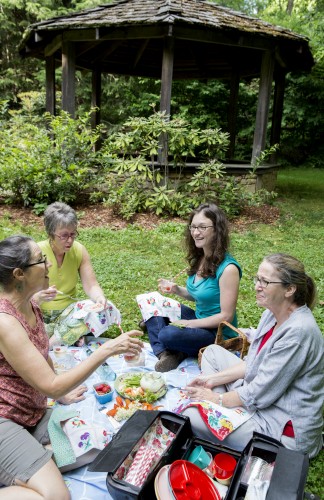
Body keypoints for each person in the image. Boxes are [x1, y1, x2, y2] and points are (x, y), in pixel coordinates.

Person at [0, 235, 143, 499]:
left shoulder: (30, 304)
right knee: (57, 497)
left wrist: (63, 395)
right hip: (5, 420)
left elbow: (42, 356)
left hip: (32, 413)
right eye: (41, 260)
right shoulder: (5, 322)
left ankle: (30, 463)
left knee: (99, 444)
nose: (49, 264)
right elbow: (51, 387)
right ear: (19, 274)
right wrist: (106, 349)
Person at [182, 253, 324, 458]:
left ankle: (225, 415)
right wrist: (209, 379)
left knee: (190, 415)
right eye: (258, 279)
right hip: (260, 399)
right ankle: (226, 414)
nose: (257, 286)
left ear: (290, 290)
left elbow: (258, 394)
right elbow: (253, 364)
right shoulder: (272, 312)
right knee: (212, 353)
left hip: (279, 429)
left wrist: (216, 398)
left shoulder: (298, 333)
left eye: (265, 281)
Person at [141, 202, 242, 372]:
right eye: (193, 227)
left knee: (167, 333)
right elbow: (200, 296)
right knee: (151, 301)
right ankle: (167, 354)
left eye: (202, 227)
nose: (196, 232)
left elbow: (226, 316)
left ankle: (169, 344)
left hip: (216, 332)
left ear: (217, 229)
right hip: (198, 317)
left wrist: (188, 324)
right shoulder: (201, 257)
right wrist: (177, 290)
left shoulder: (228, 269)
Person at [34, 201, 108, 346]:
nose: (70, 240)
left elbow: (91, 285)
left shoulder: (79, 250)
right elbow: (21, 297)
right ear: (50, 233)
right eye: (64, 236)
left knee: (105, 310)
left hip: (68, 313)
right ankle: (66, 338)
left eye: (73, 234)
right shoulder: (36, 252)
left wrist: (99, 298)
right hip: (39, 315)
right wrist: (38, 297)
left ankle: (49, 344)